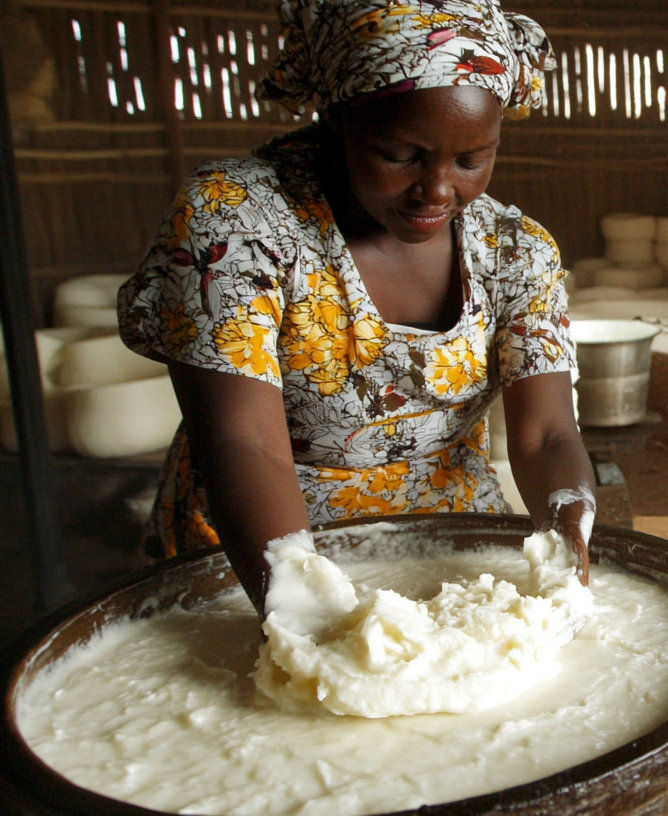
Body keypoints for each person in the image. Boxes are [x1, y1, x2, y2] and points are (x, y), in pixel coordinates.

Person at [118, 0, 595, 614]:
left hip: (450, 535)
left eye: (472, 159)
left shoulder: (513, 251)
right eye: (401, 155)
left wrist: (567, 542)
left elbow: (548, 432)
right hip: (260, 549)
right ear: (338, 118)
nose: (439, 190)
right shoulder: (237, 221)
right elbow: (243, 441)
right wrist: (300, 605)